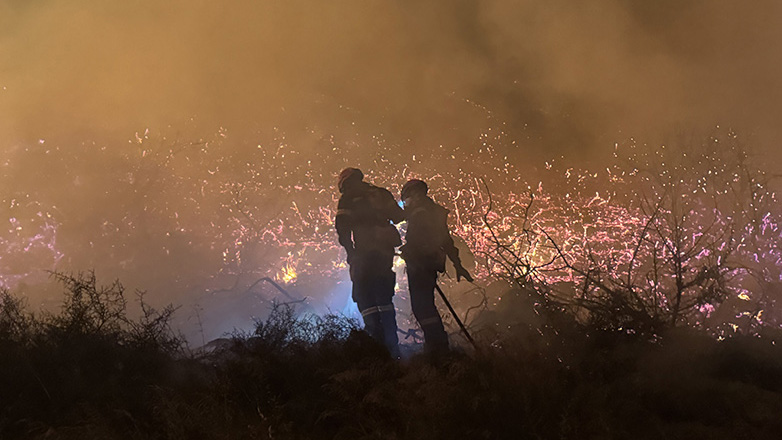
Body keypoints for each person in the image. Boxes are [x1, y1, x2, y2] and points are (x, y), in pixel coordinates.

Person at [335, 168, 405, 356]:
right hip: (384, 253)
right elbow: (399, 216)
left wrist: (351, 253)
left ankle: (377, 345)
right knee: (384, 297)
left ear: (344, 183)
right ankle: (392, 346)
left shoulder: (348, 198)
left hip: (364, 254)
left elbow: (342, 229)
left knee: (364, 296)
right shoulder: (380, 193)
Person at [400, 179, 473, 354]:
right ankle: (438, 344)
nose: (405, 204)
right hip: (429, 265)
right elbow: (446, 241)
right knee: (426, 305)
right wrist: (457, 264)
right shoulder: (432, 211)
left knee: (422, 307)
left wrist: (409, 251)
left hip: (420, 266)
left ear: (414, 195)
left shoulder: (420, 213)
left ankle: (437, 346)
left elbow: (419, 241)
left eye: (406, 199)